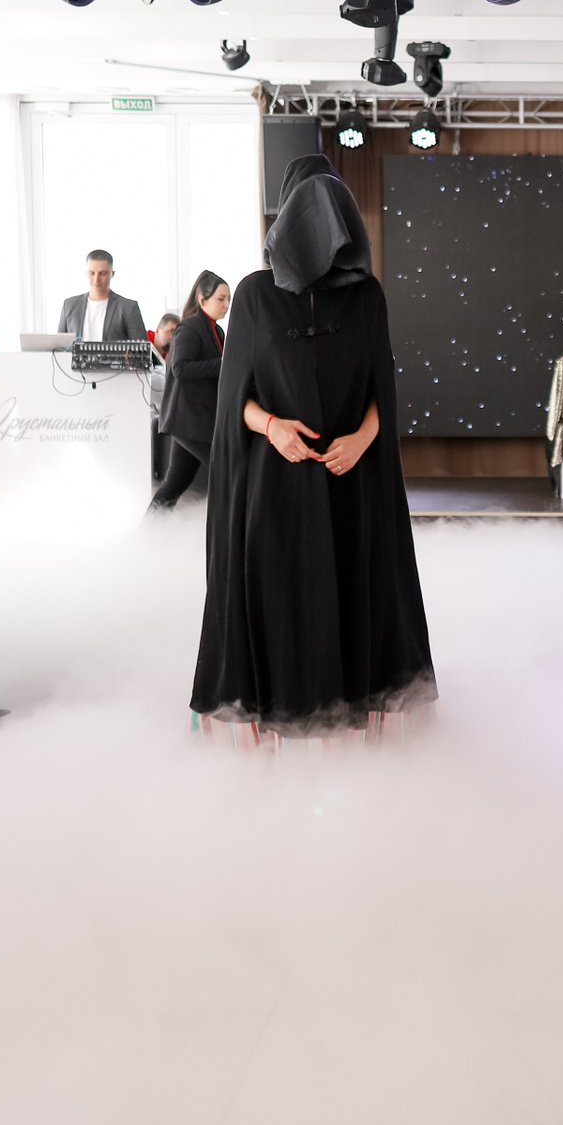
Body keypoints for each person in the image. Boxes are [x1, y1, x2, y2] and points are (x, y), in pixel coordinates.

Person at [191, 155, 435, 733]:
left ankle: (348, 718)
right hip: (274, 482)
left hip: (351, 478)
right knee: (278, 596)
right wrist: (272, 426)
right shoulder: (254, 294)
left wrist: (362, 439)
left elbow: (381, 390)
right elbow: (235, 399)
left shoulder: (367, 295)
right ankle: (278, 714)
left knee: (353, 590)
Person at [150, 273, 229, 510]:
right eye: (221, 299)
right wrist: (224, 364)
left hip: (194, 420)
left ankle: (152, 527)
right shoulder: (190, 327)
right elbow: (180, 368)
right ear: (202, 299)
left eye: (228, 299)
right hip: (190, 420)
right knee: (227, 471)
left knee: (175, 483)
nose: (226, 305)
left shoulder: (217, 331)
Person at [56, 250, 148, 343]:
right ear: (86, 273)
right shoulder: (69, 305)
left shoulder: (128, 308)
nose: (96, 279)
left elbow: (142, 348)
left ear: (112, 273)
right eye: (92, 273)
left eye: (102, 273)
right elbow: (59, 347)